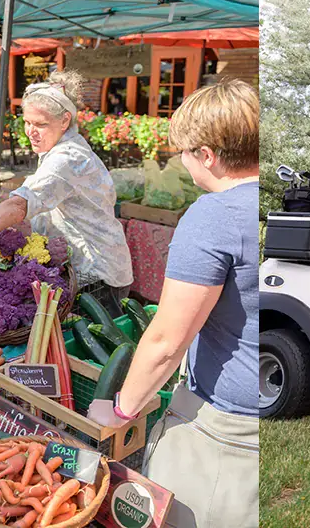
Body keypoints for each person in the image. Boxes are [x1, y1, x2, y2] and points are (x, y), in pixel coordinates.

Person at [87, 80, 258, 528]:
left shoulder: (213, 215)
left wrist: (121, 408)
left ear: (207, 155)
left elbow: (167, 340)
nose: (181, 162)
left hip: (227, 432)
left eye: (184, 152)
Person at [0, 72, 132, 305]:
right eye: (27, 122)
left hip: (98, 275)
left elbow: (20, 205)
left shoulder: (67, 158)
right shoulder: (56, 147)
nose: (30, 131)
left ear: (65, 120)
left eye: (40, 124)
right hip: (84, 269)